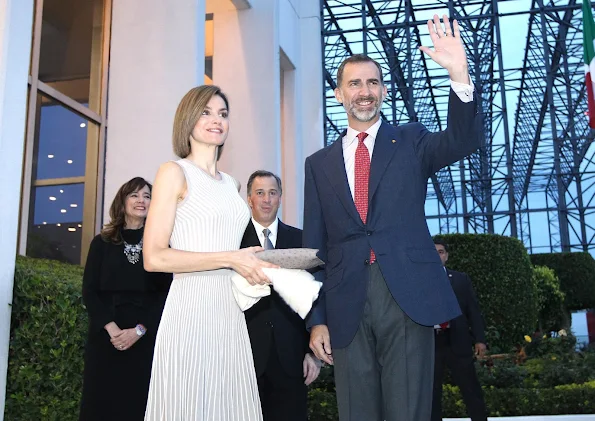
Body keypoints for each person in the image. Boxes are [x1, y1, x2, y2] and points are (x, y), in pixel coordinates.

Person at [303, 15, 480, 421]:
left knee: (408, 410)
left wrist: (459, 75)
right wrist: (317, 320)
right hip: (345, 301)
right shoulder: (318, 164)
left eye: (372, 83)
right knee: (357, 412)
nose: (364, 92)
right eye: (354, 83)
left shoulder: (411, 141)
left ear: (383, 90)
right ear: (338, 93)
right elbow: (316, 248)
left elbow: (461, 140)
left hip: (406, 295)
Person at [142, 85, 277, 421]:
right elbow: (154, 257)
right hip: (190, 308)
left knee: (231, 406)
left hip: (229, 312)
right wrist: (230, 257)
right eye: (206, 112)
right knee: (186, 405)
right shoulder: (173, 173)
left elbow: (230, 248)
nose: (216, 120)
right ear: (188, 119)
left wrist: (250, 262)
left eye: (223, 113)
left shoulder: (231, 184)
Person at [79, 177, 172, 421]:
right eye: (134, 195)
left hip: (145, 337)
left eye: (147, 196)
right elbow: (89, 291)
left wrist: (139, 331)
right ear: (123, 201)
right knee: (101, 404)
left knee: (138, 405)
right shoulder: (101, 243)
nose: (141, 201)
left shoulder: (161, 245)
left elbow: (166, 294)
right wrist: (111, 329)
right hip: (106, 337)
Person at [241, 170, 321, 421]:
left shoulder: (301, 239)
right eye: (260, 193)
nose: (266, 199)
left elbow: (316, 297)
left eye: (272, 193)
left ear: (280, 198)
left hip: (292, 358)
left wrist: (314, 354)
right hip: (243, 356)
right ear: (249, 198)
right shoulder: (233, 242)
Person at [431, 239, 488, 421]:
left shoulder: (460, 280)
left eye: (440, 252)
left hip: (458, 341)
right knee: (432, 393)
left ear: (446, 256)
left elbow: (473, 311)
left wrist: (480, 339)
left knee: (471, 389)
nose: (437, 255)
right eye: (433, 252)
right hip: (431, 343)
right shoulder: (419, 283)